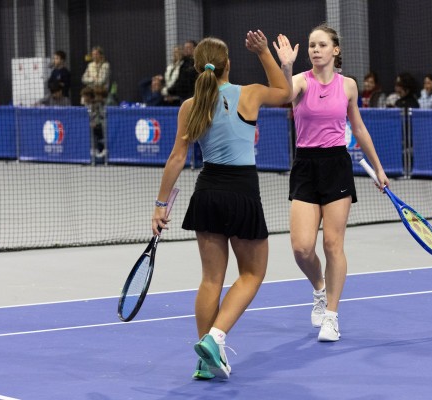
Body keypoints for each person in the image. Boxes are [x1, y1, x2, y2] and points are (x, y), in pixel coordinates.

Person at [151, 30, 291, 380]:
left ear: (198, 68)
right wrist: (263, 53)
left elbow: (176, 158)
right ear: (228, 64)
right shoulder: (250, 93)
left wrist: (160, 205)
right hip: (242, 193)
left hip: (208, 193)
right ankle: (214, 338)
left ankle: (204, 360)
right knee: (253, 274)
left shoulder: (190, 106)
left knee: (211, 280)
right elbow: (286, 93)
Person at [276, 24, 389, 342]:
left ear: (335, 50)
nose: (315, 49)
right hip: (305, 166)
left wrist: (379, 169)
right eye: (312, 45)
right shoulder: (300, 81)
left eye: (322, 45)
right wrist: (286, 67)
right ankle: (319, 288)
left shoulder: (348, 86)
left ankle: (331, 316)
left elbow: (359, 128)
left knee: (332, 244)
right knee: (302, 249)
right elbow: (285, 95)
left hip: (336, 165)